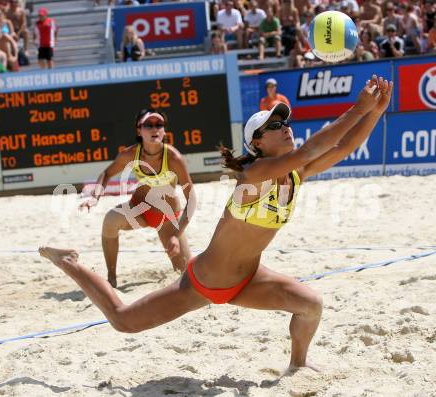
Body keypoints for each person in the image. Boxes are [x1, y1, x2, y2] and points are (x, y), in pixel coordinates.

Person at [39, 75, 393, 370]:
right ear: (257, 142)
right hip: (204, 282)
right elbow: (313, 148)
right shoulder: (255, 174)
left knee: (311, 306)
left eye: (284, 122)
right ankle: (69, 261)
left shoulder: (295, 174)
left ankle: (297, 366)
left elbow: (341, 148)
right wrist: (359, 107)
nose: (284, 128)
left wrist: (375, 112)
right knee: (123, 320)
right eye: (274, 125)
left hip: (250, 279)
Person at [79, 109, 194, 288]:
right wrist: (95, 198)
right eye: (148, 125)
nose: (154, 129)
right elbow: (107, 173)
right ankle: (111, 278)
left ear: (164, 131)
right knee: (110, 220)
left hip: (167, 218)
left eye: (159, 124)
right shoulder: (130, 154)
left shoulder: (173, 158)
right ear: (139, 130)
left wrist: (176, 235)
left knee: (187, 277)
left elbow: (192, 201)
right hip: (139, 208)